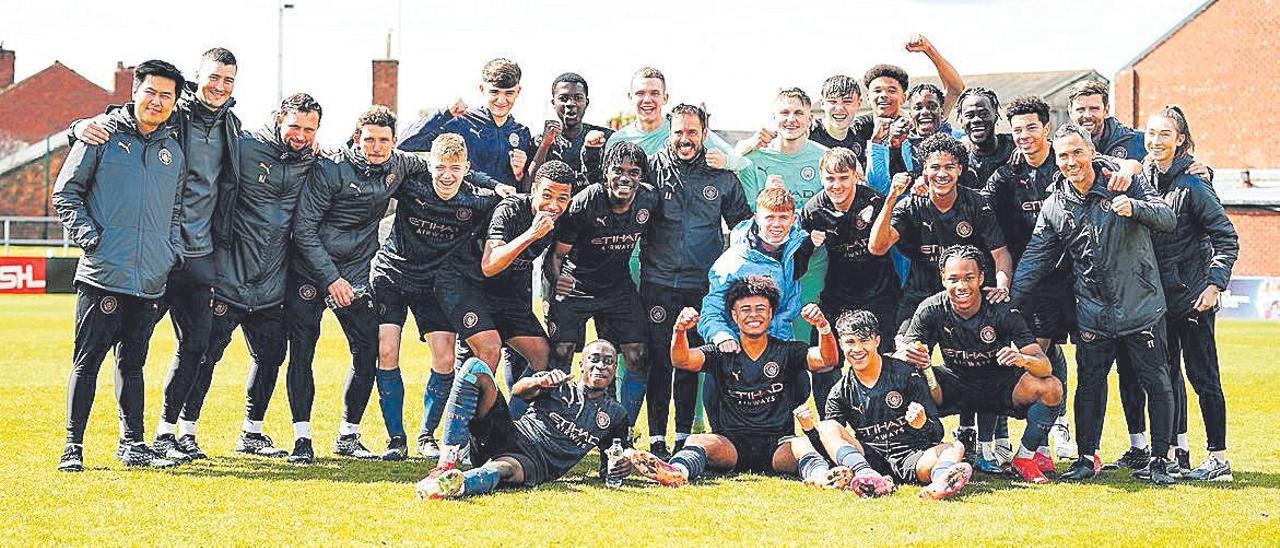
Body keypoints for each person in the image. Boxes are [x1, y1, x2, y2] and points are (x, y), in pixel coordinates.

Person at [71, 48, 243, 463]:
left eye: (228, 80)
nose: (219, 87)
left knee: (197, 346)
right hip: (153, 256)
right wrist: (78, 126)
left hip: (199, 254)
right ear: (195, 79)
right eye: (212, 77)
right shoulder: (171, 114)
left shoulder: (233, 128)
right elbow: (120, 118)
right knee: (131, 353)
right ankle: (123, 440)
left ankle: (168, 432)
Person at [1012, 124, 1177, 484]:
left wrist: (1134, 207)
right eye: (1063, 156)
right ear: (1056, 162)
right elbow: (1035, 259)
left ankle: (1160, 461)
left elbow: (1167, 217)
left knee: (1156, 383)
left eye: (1077, 152)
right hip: (1092, 313)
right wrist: (1008, 304)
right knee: (1090, 385)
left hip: (1141, 306)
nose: (1071, 162)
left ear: (1091, 151)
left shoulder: (1123, 181)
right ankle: (1086, 458)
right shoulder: (1056, 205)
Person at [54, 60, 188, 472]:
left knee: (133, 364)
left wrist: (170, 253)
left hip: (150, 279)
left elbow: (175, 213)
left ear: (174, 102)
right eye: (151, 92)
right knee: (87, 360)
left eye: (167, 95)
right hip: (103, 275)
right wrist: (93, 240)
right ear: (135, 92)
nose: (157, 101)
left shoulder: (173, 152)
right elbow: (66, 193)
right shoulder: (100, 135)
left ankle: (132, 444)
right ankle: (73, 446)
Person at [177, 93, 324, 459]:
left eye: (309, 129)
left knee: (271, 357)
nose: (301, 135)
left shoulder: (313, 161)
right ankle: (184, 431)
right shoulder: (244, 146)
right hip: (228, 278)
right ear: (278, 120)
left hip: (272, 285)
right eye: (294, 126)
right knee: (205, 356)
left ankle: (252, 432)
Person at [285, 105, 433, 463]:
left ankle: (348, 436)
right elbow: (303, 230)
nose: (377, 146)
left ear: (395, 143)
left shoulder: (399, 164)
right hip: (311, 271)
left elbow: (443, 162)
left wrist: (498, 184)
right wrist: (330, 279)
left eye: (384, 140)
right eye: (369, 139)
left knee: (367, 349)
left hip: (355, 275)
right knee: (303, 351)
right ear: (357, 139)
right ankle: (302, 439)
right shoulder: (330, 168)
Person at [627, 276, 838, 485]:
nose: (753, 315)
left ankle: (822, 477)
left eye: (760, 309)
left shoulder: (787, 351)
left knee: (802, 446)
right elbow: (682, 360)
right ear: (734, 316)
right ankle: (675, 472)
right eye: (746, 310)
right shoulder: (722, 352)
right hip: (730, 446)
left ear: (771, 313)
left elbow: (827, 360)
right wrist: (680, 330)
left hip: (778, 445)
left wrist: (823, 327)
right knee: (697, 440)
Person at [369, 133, 502, 460]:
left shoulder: (477, 200)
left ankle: (427, 435)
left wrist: (499, 188)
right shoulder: (411, 186)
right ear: (430, 166)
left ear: (466, 169)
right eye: (440, 167)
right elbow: (387, 157)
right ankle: (395, 439)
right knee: (387, 350)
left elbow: (512, 205)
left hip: (435, 284)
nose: (446, 175)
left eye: (455, 168)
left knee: (444, 359)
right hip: (392, 275)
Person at [639, 104, 752, 457]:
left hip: (702, 286)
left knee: (690, 360)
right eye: (678, 133)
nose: (685, 139)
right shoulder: (650, 170)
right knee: (659, 359)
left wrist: (733, 270)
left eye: (692, 132)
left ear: (704, 132)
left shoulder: (721, 174)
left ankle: (685, 436)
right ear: (668, 133)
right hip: (657, 281)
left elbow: (744, 226)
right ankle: (657, 438)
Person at [898, 246, 1065, 484]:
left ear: (981, 278)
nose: (961, 286)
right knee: (907, 383)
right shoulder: (931, 308)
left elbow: (1044, 366)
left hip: (1000, 385)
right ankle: (920, 454)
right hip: (954, 385)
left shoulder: (1001, 309)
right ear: (943, 278)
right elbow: (903, 356)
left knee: (1052, 387)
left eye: (969, 278)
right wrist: (910, 355)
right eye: (953, 279)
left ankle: (1025, 457)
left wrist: (1021, 359)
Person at [1134, 106, 1238, 481]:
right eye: (1151, 133)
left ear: (1180, 139)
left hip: (1194, 298)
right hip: (1155, 301)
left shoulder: (1194, 184)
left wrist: (1214, 285)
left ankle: (1218, 459)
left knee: (1203, 377)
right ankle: (1176, 453)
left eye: (1165, 134)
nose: (1156, 141)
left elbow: (1226, 237)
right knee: (1165, 379)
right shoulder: (1141, 177)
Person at [979, 95, 1078, 463]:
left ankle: (1062, 423)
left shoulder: (1067, 161)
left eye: (1031, 128)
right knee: (1038, 348)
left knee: (1064, 353)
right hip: (1030, 280)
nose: (1024, 136)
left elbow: (1115, 166)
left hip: (1074, 276)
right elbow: (980, 203)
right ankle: (1041, 431)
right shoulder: (1007, 173)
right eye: (1017, 129)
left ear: (1047, 127)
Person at [437, 161, 575, 421]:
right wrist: (532, 234)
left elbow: (557, 257)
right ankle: (465, 434)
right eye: (546, 195)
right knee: (490, 350)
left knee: (542, 354)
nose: (553, 205)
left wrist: (561, 280)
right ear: (534, 190)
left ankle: (510, 428)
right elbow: (489, 265)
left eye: (562, 198)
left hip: (505, 292)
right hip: (465, 283)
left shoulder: (563, 219)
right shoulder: (510, 210)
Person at [414, 341, 632, 499]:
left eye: (608, 361)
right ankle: (447, 463)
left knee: (501, 470)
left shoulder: (616, 414)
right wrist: (541, 382)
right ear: (581, 364)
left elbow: (613, 462)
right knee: (474, 367)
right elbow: (518, 391)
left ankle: (450, 485)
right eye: (594, 359)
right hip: (509, 435)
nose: (601, 365)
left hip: (531, 463)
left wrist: (622, 466)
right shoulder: (559, 383)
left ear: (614, 368)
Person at [547, 141, 656, 424]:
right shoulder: (586, 202)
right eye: (618, 170)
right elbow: (556, 254)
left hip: (617, 287)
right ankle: (556, 421)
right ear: (606, 172)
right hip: (578, 285)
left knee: (638, 354)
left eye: (633, 172)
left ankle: (621, 426)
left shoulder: (649, 200)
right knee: (561, 352)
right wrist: (557, 282)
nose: (625, 178)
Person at [815, 310, 974, 499]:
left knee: (955, 447)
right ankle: (866, 475)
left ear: (877, 340)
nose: (857, 349)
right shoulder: (839, 391)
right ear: (841, 344)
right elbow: (829, 442)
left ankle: (940, 483)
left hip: (913, 456)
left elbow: (937, 432)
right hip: (869, 458)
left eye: (864, 340)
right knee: (826, 426)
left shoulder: (907, 375)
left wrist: (922, 422)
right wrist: (810, 429)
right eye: (850, 342)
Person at [868, 134, 1012, 337]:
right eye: (935, 167)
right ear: (925, 170)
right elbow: (877, 247)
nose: (942, 173)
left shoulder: (977, 204)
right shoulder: (910, 206)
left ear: (960, 169)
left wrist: (1002, 287)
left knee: (988, 356)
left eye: (949, 167)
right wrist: (891, 198)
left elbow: (1000, 254)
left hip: (968, 294)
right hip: (920, 294)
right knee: (903, 352)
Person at [733, 88, 829, 344]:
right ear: (773, 117)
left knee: (803, 337)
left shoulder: (823, 157)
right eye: (784, 112)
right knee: (766, 336)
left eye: (799, 113)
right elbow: (750, 212)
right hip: (765, 263)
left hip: (810, 265)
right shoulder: (754, 157)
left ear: (810, 118)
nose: (791, 119)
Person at [799, 147, 900, 382]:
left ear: (856, 175)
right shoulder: (814, 210)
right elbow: (799, 259)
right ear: (821, 177)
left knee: (883, 360)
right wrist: (809, 245)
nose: (837, 185)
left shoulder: (874, 201)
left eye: (844, 178)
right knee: (826, 362)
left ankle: (881, 415)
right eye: (830, 178)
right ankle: (829, 417)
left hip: (880, 293)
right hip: (837, 297)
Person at [396, 58, 524, 195]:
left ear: (518, 91)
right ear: (482, 89)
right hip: (461, 211)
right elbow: (404, 143)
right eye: (494, 92)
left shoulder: (522, 133)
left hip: (499, 212)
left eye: (509, 93)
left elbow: (531, 188)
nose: (501, 100)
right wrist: (444, 113)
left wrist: (520, 174)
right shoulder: (460, 123)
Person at [847, 34, 965, 177]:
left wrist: (928, 49)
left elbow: (955, 89)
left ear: (903, 98)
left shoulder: (919, 123)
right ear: (868, 97)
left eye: (891, 90)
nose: (883, 95)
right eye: (877, 90)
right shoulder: (857, 128)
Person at [604, 67, 747, 171]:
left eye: (654, 93)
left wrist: (725, 161)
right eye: (640, 93)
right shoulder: (618, 140)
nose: (647, 100)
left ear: (665, 98)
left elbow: (742, 162)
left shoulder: (686, 132)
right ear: (630, 97)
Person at [532, 72, 613, 186]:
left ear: (586, 102)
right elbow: (529, 186)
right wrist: (545, 144)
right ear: (553, 103)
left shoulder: (606, 138)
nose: (570, 103)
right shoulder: (539, 142)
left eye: (578, 98)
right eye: (563, 98)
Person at [1066, 80, 1146, 160]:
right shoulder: (1059, 148)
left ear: (1106, 110)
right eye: (1080, 110)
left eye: (1094, 109)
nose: (1087, 115)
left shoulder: (1140, 142)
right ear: (1070, 112)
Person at [955, 87, 1014, 185]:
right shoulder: (957, 159)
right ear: (961, 120)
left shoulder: (1016, 147)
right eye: (969, 115)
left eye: (984, 114)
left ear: (995, 115)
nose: (976, 120)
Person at [808, 75, 863, 154]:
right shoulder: (808, 132)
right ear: (822, 103)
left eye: (847, 101)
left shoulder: (861, 132)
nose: (839, 108)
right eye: (832, 101)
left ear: (859, 104)